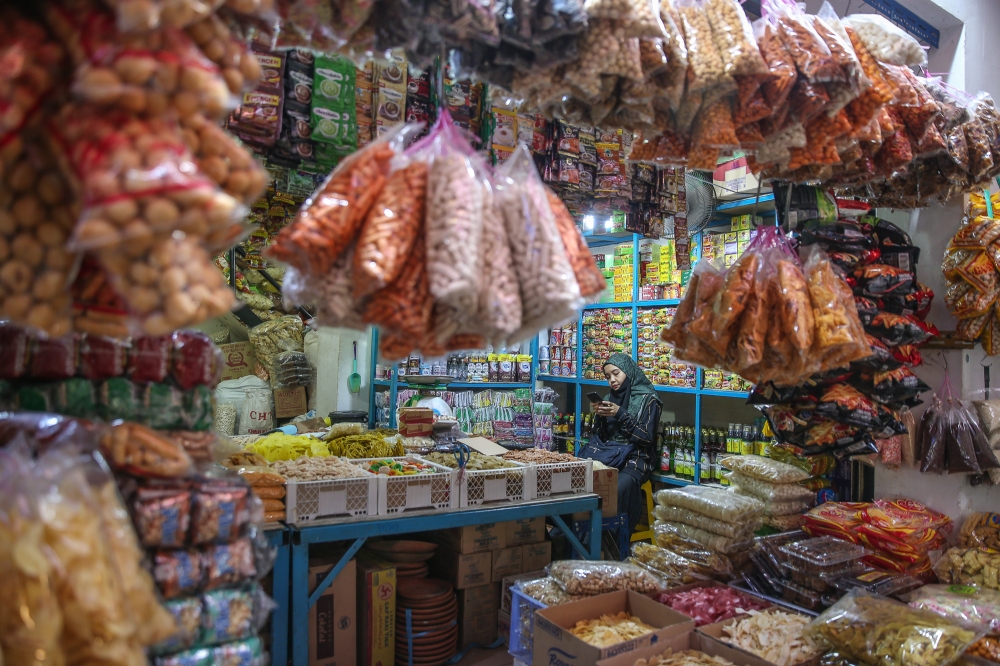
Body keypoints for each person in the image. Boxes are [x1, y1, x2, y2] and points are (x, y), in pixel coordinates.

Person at [580, 352, 662, 542]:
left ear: (629, 371)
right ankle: (576, 538)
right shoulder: (610, 397)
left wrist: (621, 414)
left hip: (636, 459)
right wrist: (600, 416)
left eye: (616, 373)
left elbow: (646, 438)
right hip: (610, 455)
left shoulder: (649, 400)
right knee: (581, 481)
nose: (612, 380)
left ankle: (608, 544)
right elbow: (601, 437)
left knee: (616, 489)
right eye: (608, 377)